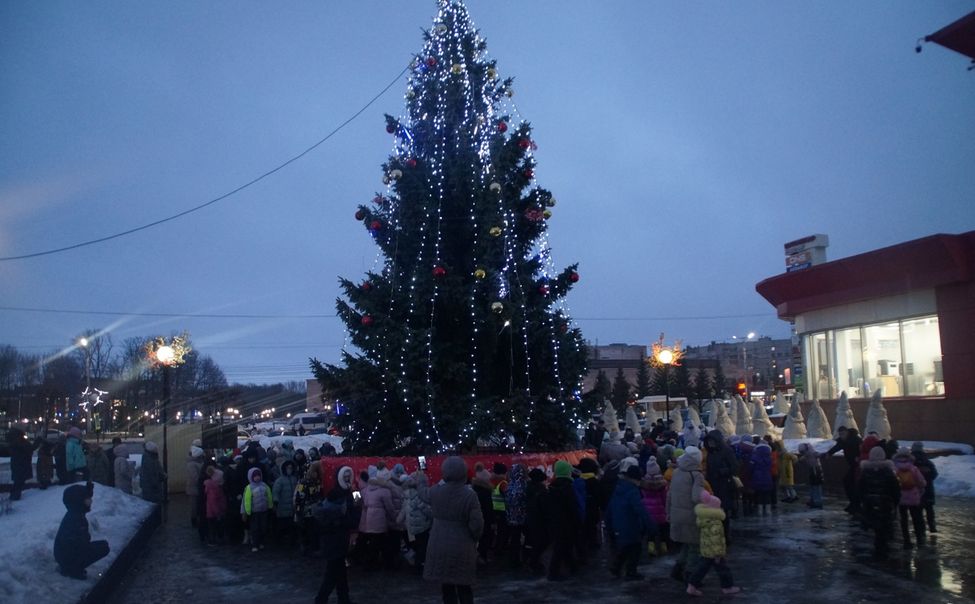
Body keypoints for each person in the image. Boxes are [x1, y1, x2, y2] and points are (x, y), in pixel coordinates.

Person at [424, 456, 483, 604]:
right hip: (463, 543)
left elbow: (424, 497)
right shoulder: (469, 495)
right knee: (464, 586)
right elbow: (477, 523)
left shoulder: (435, 492)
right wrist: (475, 538)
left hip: (439, 542)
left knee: (447, 586)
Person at [315, 466, 357, 604]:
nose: (347, 478)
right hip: (334, 538)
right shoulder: (335, 494)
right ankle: (321, 599)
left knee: (340, 572)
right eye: (344, 476)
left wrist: (356, 492)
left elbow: (358, 507)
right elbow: (333, 515)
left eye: (348, 475)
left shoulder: (350, 491)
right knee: (333, 572)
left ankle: (343, 599)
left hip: (341, 537)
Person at [685, 492, 741, 597]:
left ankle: (691, 586)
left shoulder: (704, 519)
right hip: (715, 552)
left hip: (706, 549)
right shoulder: (715, 522)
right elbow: (716, 539)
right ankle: (727, 587)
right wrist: (718, 554)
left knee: (701, 569)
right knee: (723, 569)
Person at [666, 445, 706, 584]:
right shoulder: (696, 475)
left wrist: (668, 512)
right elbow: (696, 497)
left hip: (676, 514)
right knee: (695, 546)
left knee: (686, 544)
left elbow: (669, 495)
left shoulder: (676, 472)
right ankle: (690, 575)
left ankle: (677, 569)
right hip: (691, 516)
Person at [54, 483, 110, 579]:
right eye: (87, 500)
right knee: (103, 548)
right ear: (79, 502)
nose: (90, 501)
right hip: (68, 557)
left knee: (103, 545)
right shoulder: (76, 519)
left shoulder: (75, 514)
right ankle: (73, 570)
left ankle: (72, 567)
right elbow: (78, 543)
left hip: (66, 556)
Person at [606, 464, 652, 580]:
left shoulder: (618, 488)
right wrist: (651, 524)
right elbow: (640, 509)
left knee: (626, 547)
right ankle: (630, 571)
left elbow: (610, 508)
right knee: (635, 548)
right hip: (631, 524)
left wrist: (609, 524)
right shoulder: (633, 491)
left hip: (619, 523)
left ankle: (616, 567)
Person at [858, 446, 901, 558]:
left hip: (870, 503)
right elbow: (895, 489)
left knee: (876, 525)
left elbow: (859, 488)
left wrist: (863, 500)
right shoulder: (888, 471)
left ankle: (878, 548)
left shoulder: (865, 471)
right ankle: (882, 549)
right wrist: (895, 502)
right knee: (884, 526)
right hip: (885, 503)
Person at [545, 460, 580, 581]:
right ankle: (553, 572)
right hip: (566, 521)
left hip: (554, 521)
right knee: (562, 546)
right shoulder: (567, 487)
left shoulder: (552, 487)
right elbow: (573, 506)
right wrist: (577, 519)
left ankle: (572, 566)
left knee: (563, 546)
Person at [358, 468, 396, 569]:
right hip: (380, 519)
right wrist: (394, 518)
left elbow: (363, 503)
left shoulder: (366, 490)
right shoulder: (384, 491)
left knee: (374, 540)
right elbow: (389, 507)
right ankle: (385, 562)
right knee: (381, 541)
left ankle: (369, 561)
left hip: (369, 519)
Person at [400, 468, 433, 575]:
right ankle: (419, 565)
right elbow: (425, 509)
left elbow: (405, 510)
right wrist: (432, 515)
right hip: (422, 524)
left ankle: (418, 564)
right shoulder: (419, 495)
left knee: (419, 545)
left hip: (413, 524)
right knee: (423, 546)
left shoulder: (408, 494)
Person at [893, 447, 927, 548]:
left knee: (903, 520)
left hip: (901, 497)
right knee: (916, 518)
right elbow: (922, 482)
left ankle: (906, 540)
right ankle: (919, 539)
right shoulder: (913, 468)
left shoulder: (895, 468)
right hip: (913, 497)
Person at [827, 426, 863, 514]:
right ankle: (854, 503)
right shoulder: (843, 441)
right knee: (848, 482)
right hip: (853, 465)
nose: (842, 436)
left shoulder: (855, 439)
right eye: (840, 434)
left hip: (859, 465)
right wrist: (828, 453)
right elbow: (836, 448)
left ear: (847, 432)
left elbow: (862, 449)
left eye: (843, 434)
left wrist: (860, 457)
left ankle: (856, 504)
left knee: (852, 483)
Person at [242, 467, 273, 552]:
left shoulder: (264, 485)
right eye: (255, 476)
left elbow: (269, 496)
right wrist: (247, 511)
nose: (257, 477)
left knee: (263, 527)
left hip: (264, 510)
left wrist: (270, 506)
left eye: (258, 475)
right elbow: (247, 500)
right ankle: (255, 544)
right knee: (255, 529)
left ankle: (261, 542)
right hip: (254, 512)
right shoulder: (249, 487)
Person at [524, 468, 549, 574]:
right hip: (540, 519)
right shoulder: (541, 489)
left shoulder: (528, 488)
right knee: (542, 541)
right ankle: (534, 561)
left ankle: (532, 560)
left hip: (530, 518)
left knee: (533, 541)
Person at [640, 460, 668, 556]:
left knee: (650, 531)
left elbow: (642, 496)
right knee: (662, 529)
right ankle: (663, 546)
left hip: (648, 510)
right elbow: (664, 498)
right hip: (660, 510)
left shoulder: (644, 482)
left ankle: (651, 547)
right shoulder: (662, 483)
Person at [910, 441, 939, 533]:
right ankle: (932, 527)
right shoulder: (928, 461)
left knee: (918, 512)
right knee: (929, 510)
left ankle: (920, 530)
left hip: (916, 491)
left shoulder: (911, 462)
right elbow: (934, 474)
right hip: (928, 489)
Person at [504, 463, 528, 569]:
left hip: (510, 517)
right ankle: (524, 559)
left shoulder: (509, 486)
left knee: (514, 539)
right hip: (523, 517)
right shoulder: (524, 486)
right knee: (525, 539)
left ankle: (513, 560)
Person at [272, 459, 299, 545]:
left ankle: (292, 541)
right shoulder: (280, 480)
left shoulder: (295, 479)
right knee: (281, 525)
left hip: (292, 507)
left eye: (291, 468)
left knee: (292, 525)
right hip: (282, 506)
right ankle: (278, 541)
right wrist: (275, 501)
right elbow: (275, 492)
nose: (289, 470)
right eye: (288, 468)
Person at [204, 465, 227, 545]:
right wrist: (219, 512)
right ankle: (217, 539)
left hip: (211, 511)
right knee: (217, 526)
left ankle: (213, 539)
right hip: (216, 511)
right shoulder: (217, 489)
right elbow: (215, 502)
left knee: (212, 527)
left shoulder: (209, 486)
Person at [8, 427, 32, 500]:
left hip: (17, 464)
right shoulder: (19, 443)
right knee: (19, 481)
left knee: (18, 481)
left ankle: (14, 494)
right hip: (20, 464)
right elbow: (29, 449)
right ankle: (15, 495)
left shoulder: (14, 443)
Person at [750, 442, 774, 516]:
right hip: (767, 477)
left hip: (757, 477)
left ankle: (760, 511)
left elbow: (751, 468)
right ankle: (768, 510)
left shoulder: (754, 458)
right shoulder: (769, 458)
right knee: (767, 495)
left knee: (759, 494)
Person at [797, 442, 824, 508]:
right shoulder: (808, 454)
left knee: (816, 486)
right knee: (813, 486)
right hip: (813, 470)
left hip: (815, 470)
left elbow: (818, 455)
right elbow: (801, 459)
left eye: (802, 452)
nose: (802, 453)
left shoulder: (811, 453)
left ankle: (817, 502)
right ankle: (813, 500)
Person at [186, 446, 204, 527]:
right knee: (194, 506)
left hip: (196, 487)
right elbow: (195, 477)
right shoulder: (192, 465)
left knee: (196, 505)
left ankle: (196, 519)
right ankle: (194, 520)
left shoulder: (196, 463)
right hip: (194, 488)